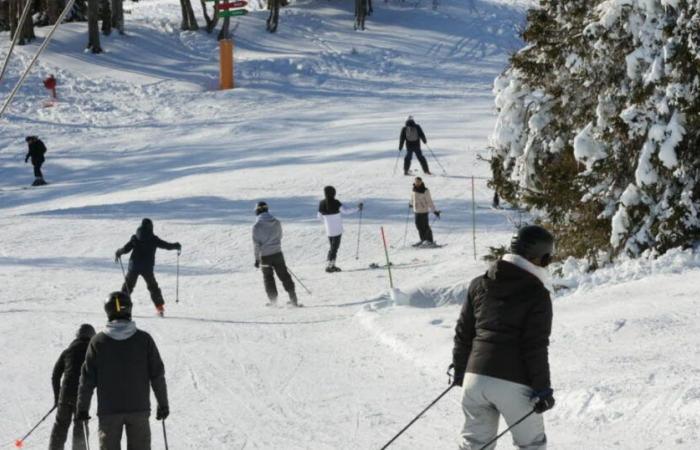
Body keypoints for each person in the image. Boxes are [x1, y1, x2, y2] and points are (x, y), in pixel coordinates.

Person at [450, 225, 556, 450]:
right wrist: (542, 389)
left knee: (475, 444)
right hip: (514, 382)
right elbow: (535, 346)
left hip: (474, 378)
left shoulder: (479, 284)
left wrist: (461, 370)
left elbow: (463, 334)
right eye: (548, 258)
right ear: (540, 258)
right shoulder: (538, 295)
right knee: (531, 444)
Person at [76, 292, 169, 450]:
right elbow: (157, 375)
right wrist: (163, 403)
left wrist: (82, 407)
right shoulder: (144, 339)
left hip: (109, 411)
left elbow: (88, 379)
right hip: (138, 408)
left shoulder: (98, 342)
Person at [114, 218, 181, 316]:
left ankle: (121, 308)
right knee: (153, 287)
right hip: (147, 268)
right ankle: (160, 308)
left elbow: (126, 249)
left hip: (134, 267)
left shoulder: (135, 238)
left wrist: (118, 252)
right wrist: (176, 245)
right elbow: (166, 245)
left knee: (127, 287)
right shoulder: (153, 239)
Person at [48, 324, 96, 450]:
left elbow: (55, 375)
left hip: (65, 395)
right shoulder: (93, 353)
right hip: (81, 397)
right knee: (80, 428)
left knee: (60, 426)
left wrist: (57, 398)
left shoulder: (67, 352)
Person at [252, 201, 299, 306]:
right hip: (278, 254)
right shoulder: (277, 222)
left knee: (268, 278)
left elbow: (256, 245)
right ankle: (293, 299)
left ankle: (273, 302)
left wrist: (256, 259)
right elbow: (280, 236)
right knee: (284, 276)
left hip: (265, 257)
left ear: (258, 211)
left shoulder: (256, 226)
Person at [317, 186, 363, 273]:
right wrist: (357, 208)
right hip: (337, 229)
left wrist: (327, 221)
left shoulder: (321, 203)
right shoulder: (336, 202)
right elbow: (346, 211)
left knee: (332, 247)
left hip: (329, 230)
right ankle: (330, 265)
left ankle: (331, 264)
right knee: (334, 248)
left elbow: (319, 217)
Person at [409, 177, 440, 248]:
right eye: (416, 182)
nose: (417, 183)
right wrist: (411, 203)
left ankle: (429, 241)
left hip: (424, 211)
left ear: (421, 182)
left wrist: (434, 211)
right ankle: (423, 240)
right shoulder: (414, 189)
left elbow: (429, 201)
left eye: (418, 182)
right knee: (418, 226)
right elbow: (412, 197)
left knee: (425, 226)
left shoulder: (425, 190)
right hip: (416, 211)